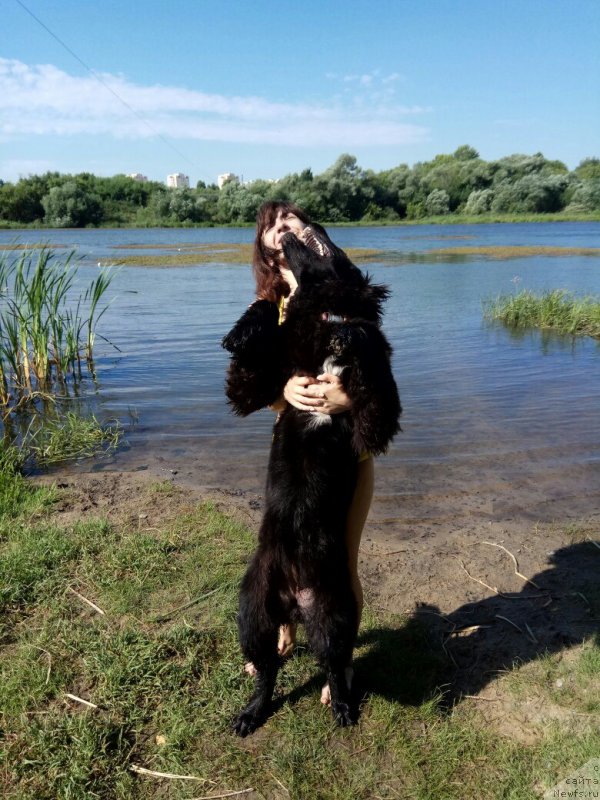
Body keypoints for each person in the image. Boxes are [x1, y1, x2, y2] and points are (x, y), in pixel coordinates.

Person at [247, 200, 374, 705]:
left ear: (311, 235)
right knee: (280, 560)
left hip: (348, 462)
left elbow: (379, 376)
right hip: (293, 463)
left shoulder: (346, 295)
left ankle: (337, 667)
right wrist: (286, 390)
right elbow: (255, 389)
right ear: (263, 246)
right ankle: (287, 632)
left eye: (291, 219)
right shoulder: (268, 308)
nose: (282, 228)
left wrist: (351, 396)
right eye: (271, 224)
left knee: (341, 567)